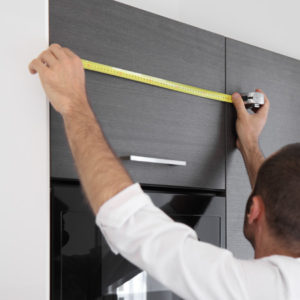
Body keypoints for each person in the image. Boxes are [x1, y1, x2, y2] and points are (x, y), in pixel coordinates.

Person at [29, 44, 300, 300]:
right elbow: (280, 198)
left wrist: (73, 103)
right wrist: (250, 144)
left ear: (255, 210)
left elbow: (131, 225)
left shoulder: (260, 290)